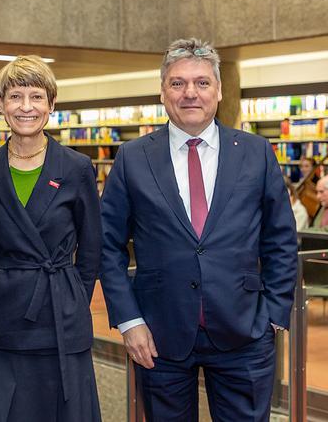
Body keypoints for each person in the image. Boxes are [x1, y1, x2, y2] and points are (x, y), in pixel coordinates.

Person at [99, 38, 298, 421]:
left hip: (246, 332)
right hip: (158, 334)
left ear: (219, 90)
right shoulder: (131, 158)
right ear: (163, 92)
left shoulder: (256, 152)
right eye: (178, 83)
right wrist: (129, 321)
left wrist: (273, 314)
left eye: (202, 83)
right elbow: (107, 246)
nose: (190, 93)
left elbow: (280, 239)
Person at [0, 56, 102, 422]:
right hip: (2, 317)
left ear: (51, 105)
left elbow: (91, 250)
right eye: (15, 96)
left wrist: (72, 296)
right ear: (0, 105)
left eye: (37, 97)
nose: (26, 107)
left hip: (60, 316)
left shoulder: (76, 167)